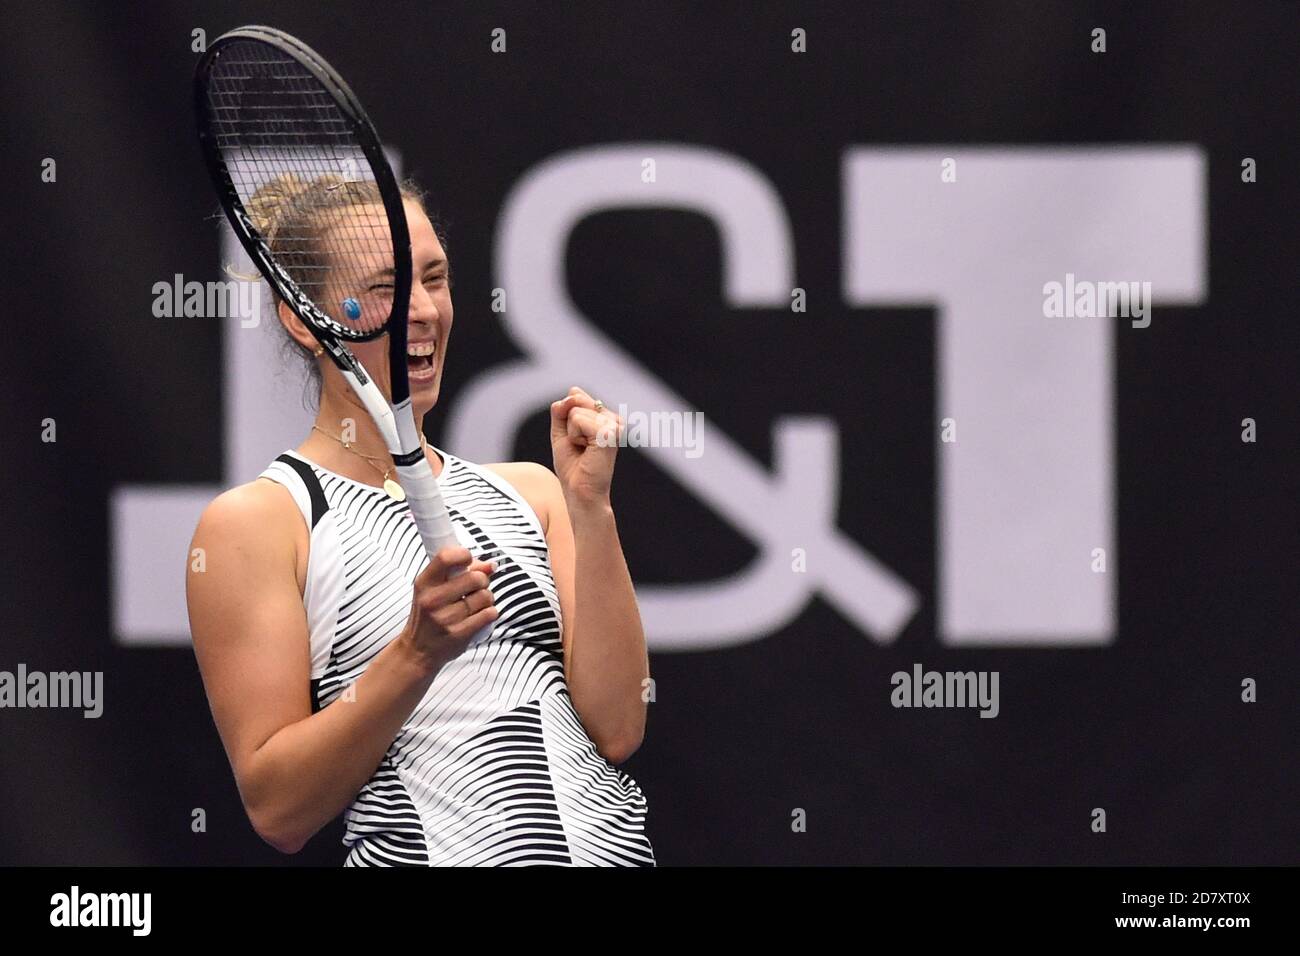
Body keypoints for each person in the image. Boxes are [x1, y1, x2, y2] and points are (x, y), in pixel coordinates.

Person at [186, 174, 655, 866]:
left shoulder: (536, 493)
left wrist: (592, 509)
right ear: (301, 317)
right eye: (385, 288)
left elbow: (618, 728)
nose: (425, 310)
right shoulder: (258, 524)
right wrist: (416, 653)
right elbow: (278, 808)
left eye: (434, 278)